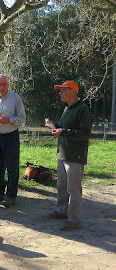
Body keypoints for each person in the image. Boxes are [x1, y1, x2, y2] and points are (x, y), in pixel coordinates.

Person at [49, 80, 91, 231]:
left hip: (75, 156)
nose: (60, 93)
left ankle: (74, 219)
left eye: (63, 90)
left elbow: (85, 133)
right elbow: (66, 129)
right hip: (63, 154)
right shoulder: (67, 108)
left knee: (73, 189)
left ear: (73, 91)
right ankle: (62, 211)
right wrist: (56, 127)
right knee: (61, 186)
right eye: (60, 91)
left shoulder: (82, 109)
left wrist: (63, 132)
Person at [0, 74, 26, 208]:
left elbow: (22, 117)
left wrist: (8, 120)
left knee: (12, 167)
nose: (2, 87)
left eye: (4, 84)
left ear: (8, 84)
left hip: (11, 136)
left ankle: (11, 196)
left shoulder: (15, 98)